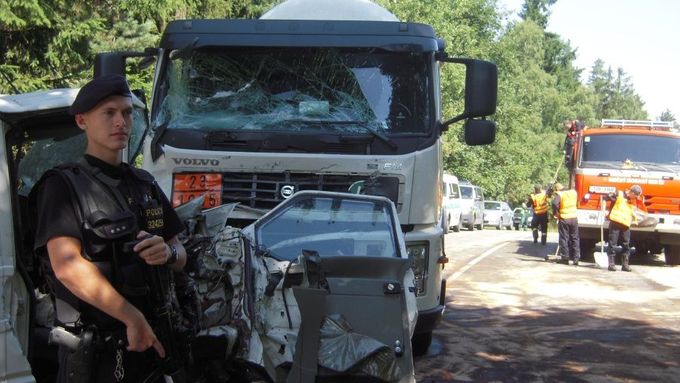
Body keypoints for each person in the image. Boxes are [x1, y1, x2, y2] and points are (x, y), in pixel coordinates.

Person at [30, 74, 188, 382]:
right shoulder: (63, 186)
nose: (121, 122)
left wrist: (168, 252)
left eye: (127, 113)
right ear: (82, 121)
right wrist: (132, 318)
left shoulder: (144, 184)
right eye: (109, 113)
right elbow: (67, 267)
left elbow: (182, 254)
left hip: (153, 344)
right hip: (98, 356)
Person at [604, 185, 643, 272]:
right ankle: (611, 264)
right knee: (612, 243)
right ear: (632, 192)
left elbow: (631, 210)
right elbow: (605, 198)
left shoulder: (632, 200)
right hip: (615, 222)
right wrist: (604, 211)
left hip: (625, 224)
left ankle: (625, 265)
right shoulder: (619, 194)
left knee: (626, 244)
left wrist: (635, 219)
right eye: (635, 196)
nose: (636, 198)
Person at [551, 183, 580, 265]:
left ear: (557, 189)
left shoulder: (560, 194)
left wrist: (556, 214)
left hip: (564, 218)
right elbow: (577, 202)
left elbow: (554, 203)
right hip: (574, 218)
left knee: (564, 238)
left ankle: (565, 258)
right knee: (575, 238)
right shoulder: (573, 192)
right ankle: (576, 258)